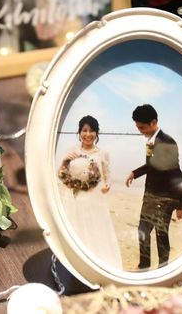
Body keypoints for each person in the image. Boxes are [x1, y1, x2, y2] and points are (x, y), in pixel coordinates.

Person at [126, 104, 182, 270]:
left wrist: (180, 205)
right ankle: (144, 266)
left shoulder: (168, 142)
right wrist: (134, 173)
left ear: (153, 122)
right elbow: (152, 165)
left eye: (142, 127)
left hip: (165, 198)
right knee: (143, 231)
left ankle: (163, 269)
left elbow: (176, 174)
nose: (140, 131)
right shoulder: (151, 142)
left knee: (161, 234)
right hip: (151, 195)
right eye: (138, 128)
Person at [58, 115, 122, 269]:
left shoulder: (103, 152)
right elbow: (61, 175)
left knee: (96, 232)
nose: (88, 134)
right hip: (73, 199)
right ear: (79, 132)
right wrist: (64, 161)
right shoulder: (71, 151)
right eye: (84, 130)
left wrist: (108, 185)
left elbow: (107, 175)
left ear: (97, 133)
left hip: (94, 199)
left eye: (92, 130)